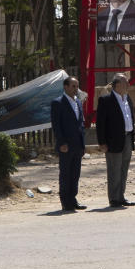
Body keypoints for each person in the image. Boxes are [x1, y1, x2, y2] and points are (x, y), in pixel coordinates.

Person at [96, 73, 135, 208]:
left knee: (124, 169)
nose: (128, 85)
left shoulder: (127, 98)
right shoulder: (106, 100)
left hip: (127, 138)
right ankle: (114, 198)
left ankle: (121, 197)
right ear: (117, 84)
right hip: (113, 141)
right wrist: (102, 142)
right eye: (126, 83)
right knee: (114, 170)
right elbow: (101, 123)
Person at [50, 76, 87, 212]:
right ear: (65, 87)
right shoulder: (58, 103)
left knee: (75, 174)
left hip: (77, 145)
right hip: (66, 145)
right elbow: (57, 125)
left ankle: (73, 199)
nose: (76, 89)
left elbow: (80, 125)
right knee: (65, 174)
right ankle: (65, 202)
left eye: (77, 86)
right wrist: (62, 143)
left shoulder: (78, 102)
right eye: (73, 86)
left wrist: (83, 145)